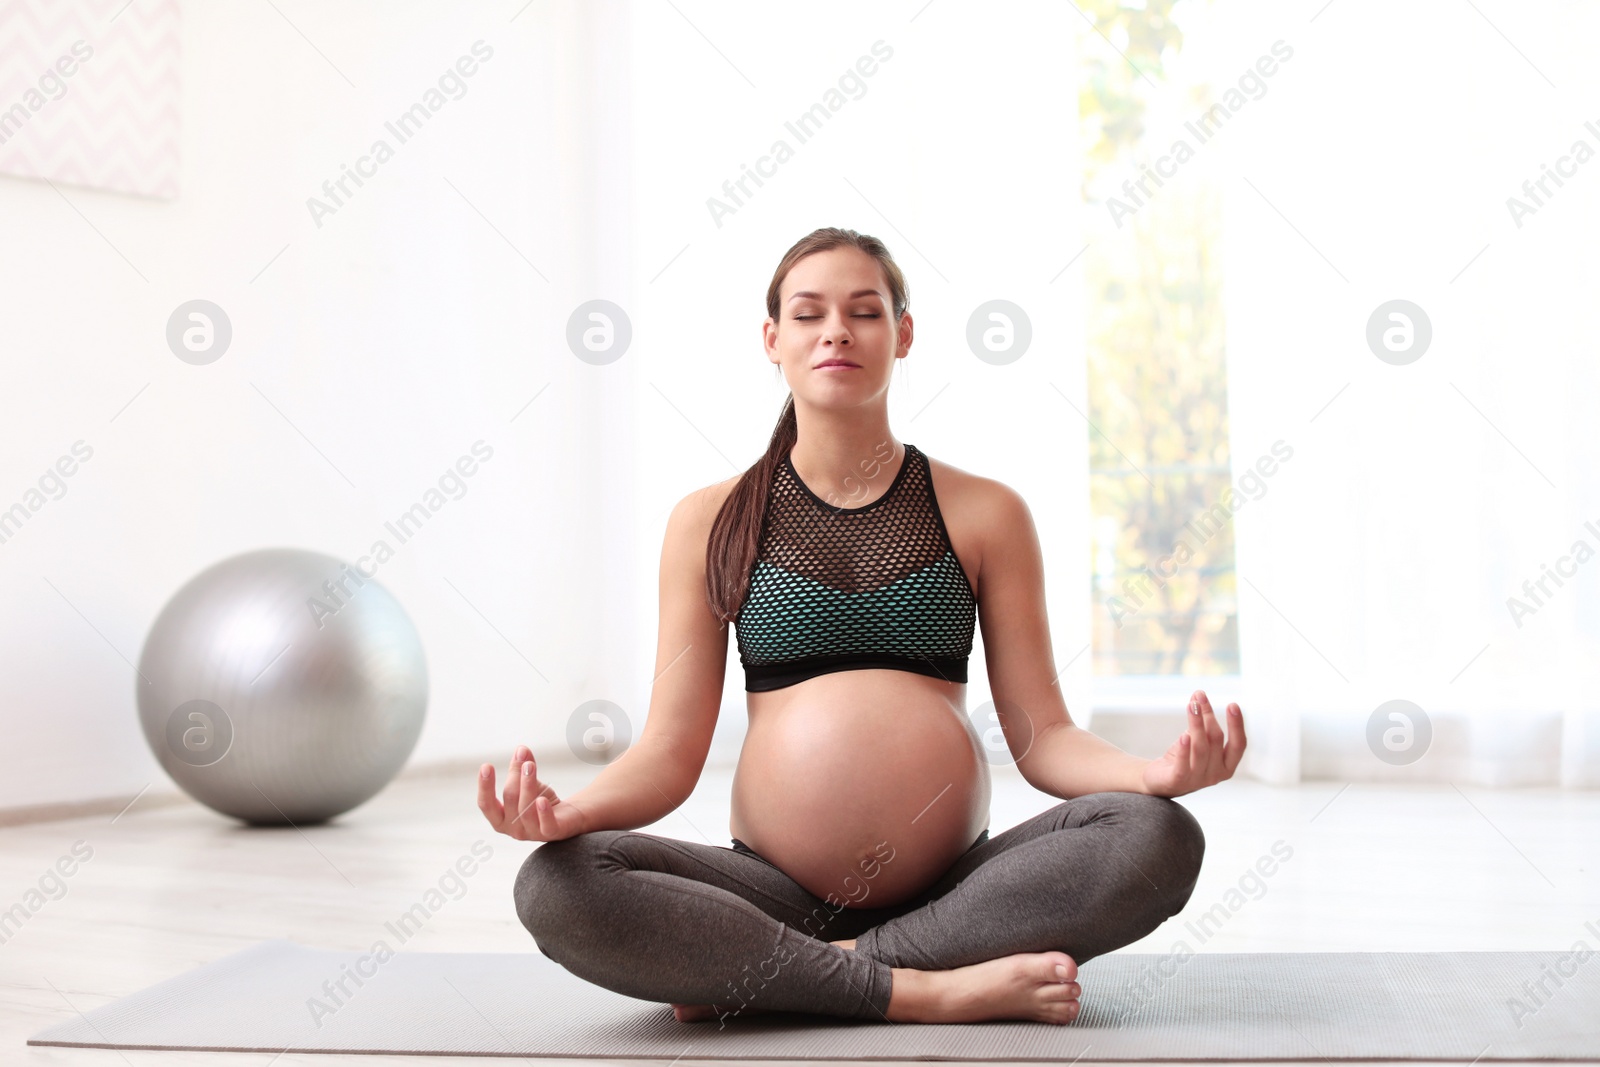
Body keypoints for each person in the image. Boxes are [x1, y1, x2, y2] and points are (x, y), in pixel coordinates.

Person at [477, 226, 1246, 1027]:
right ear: (773, 340)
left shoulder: (986, 512)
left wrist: (1149, 775)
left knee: (1156, 836)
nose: (836, 330)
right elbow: (668, 755)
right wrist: (572, 816)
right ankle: (928, 988)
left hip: (957, 891)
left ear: (903, 333)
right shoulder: (709, 520)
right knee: (557, 884)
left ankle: (794, 974)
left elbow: (1043, 736)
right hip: (773, 891)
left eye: (864, 311)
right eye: (808, 314)